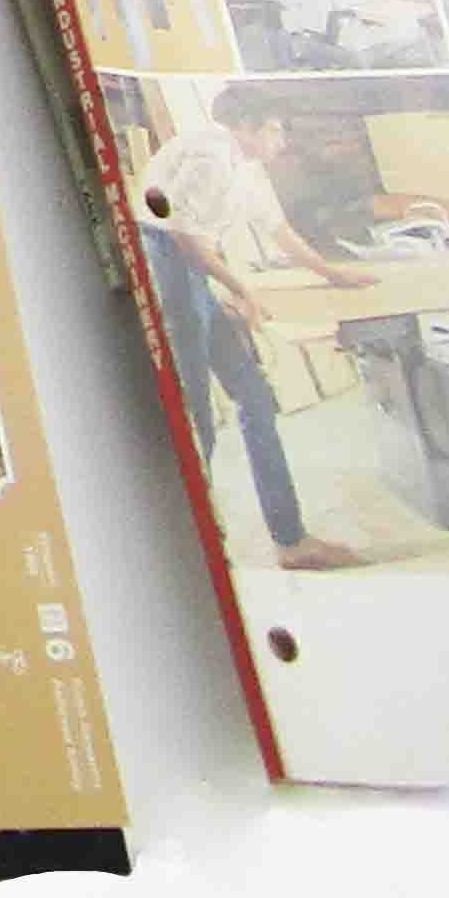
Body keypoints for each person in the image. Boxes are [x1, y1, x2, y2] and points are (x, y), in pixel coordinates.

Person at [137, 95, 375, 570]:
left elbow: (278, 229)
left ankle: (291, 541)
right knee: (195, 417)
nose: (281, 140)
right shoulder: (210, 156)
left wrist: (333, 273)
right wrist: (240, 289)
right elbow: (180, 234)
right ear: (247, 126)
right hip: (168, 263)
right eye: (275, 129)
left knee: (255, 397)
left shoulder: (245, 167)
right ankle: (191, 546)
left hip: (190, 269)